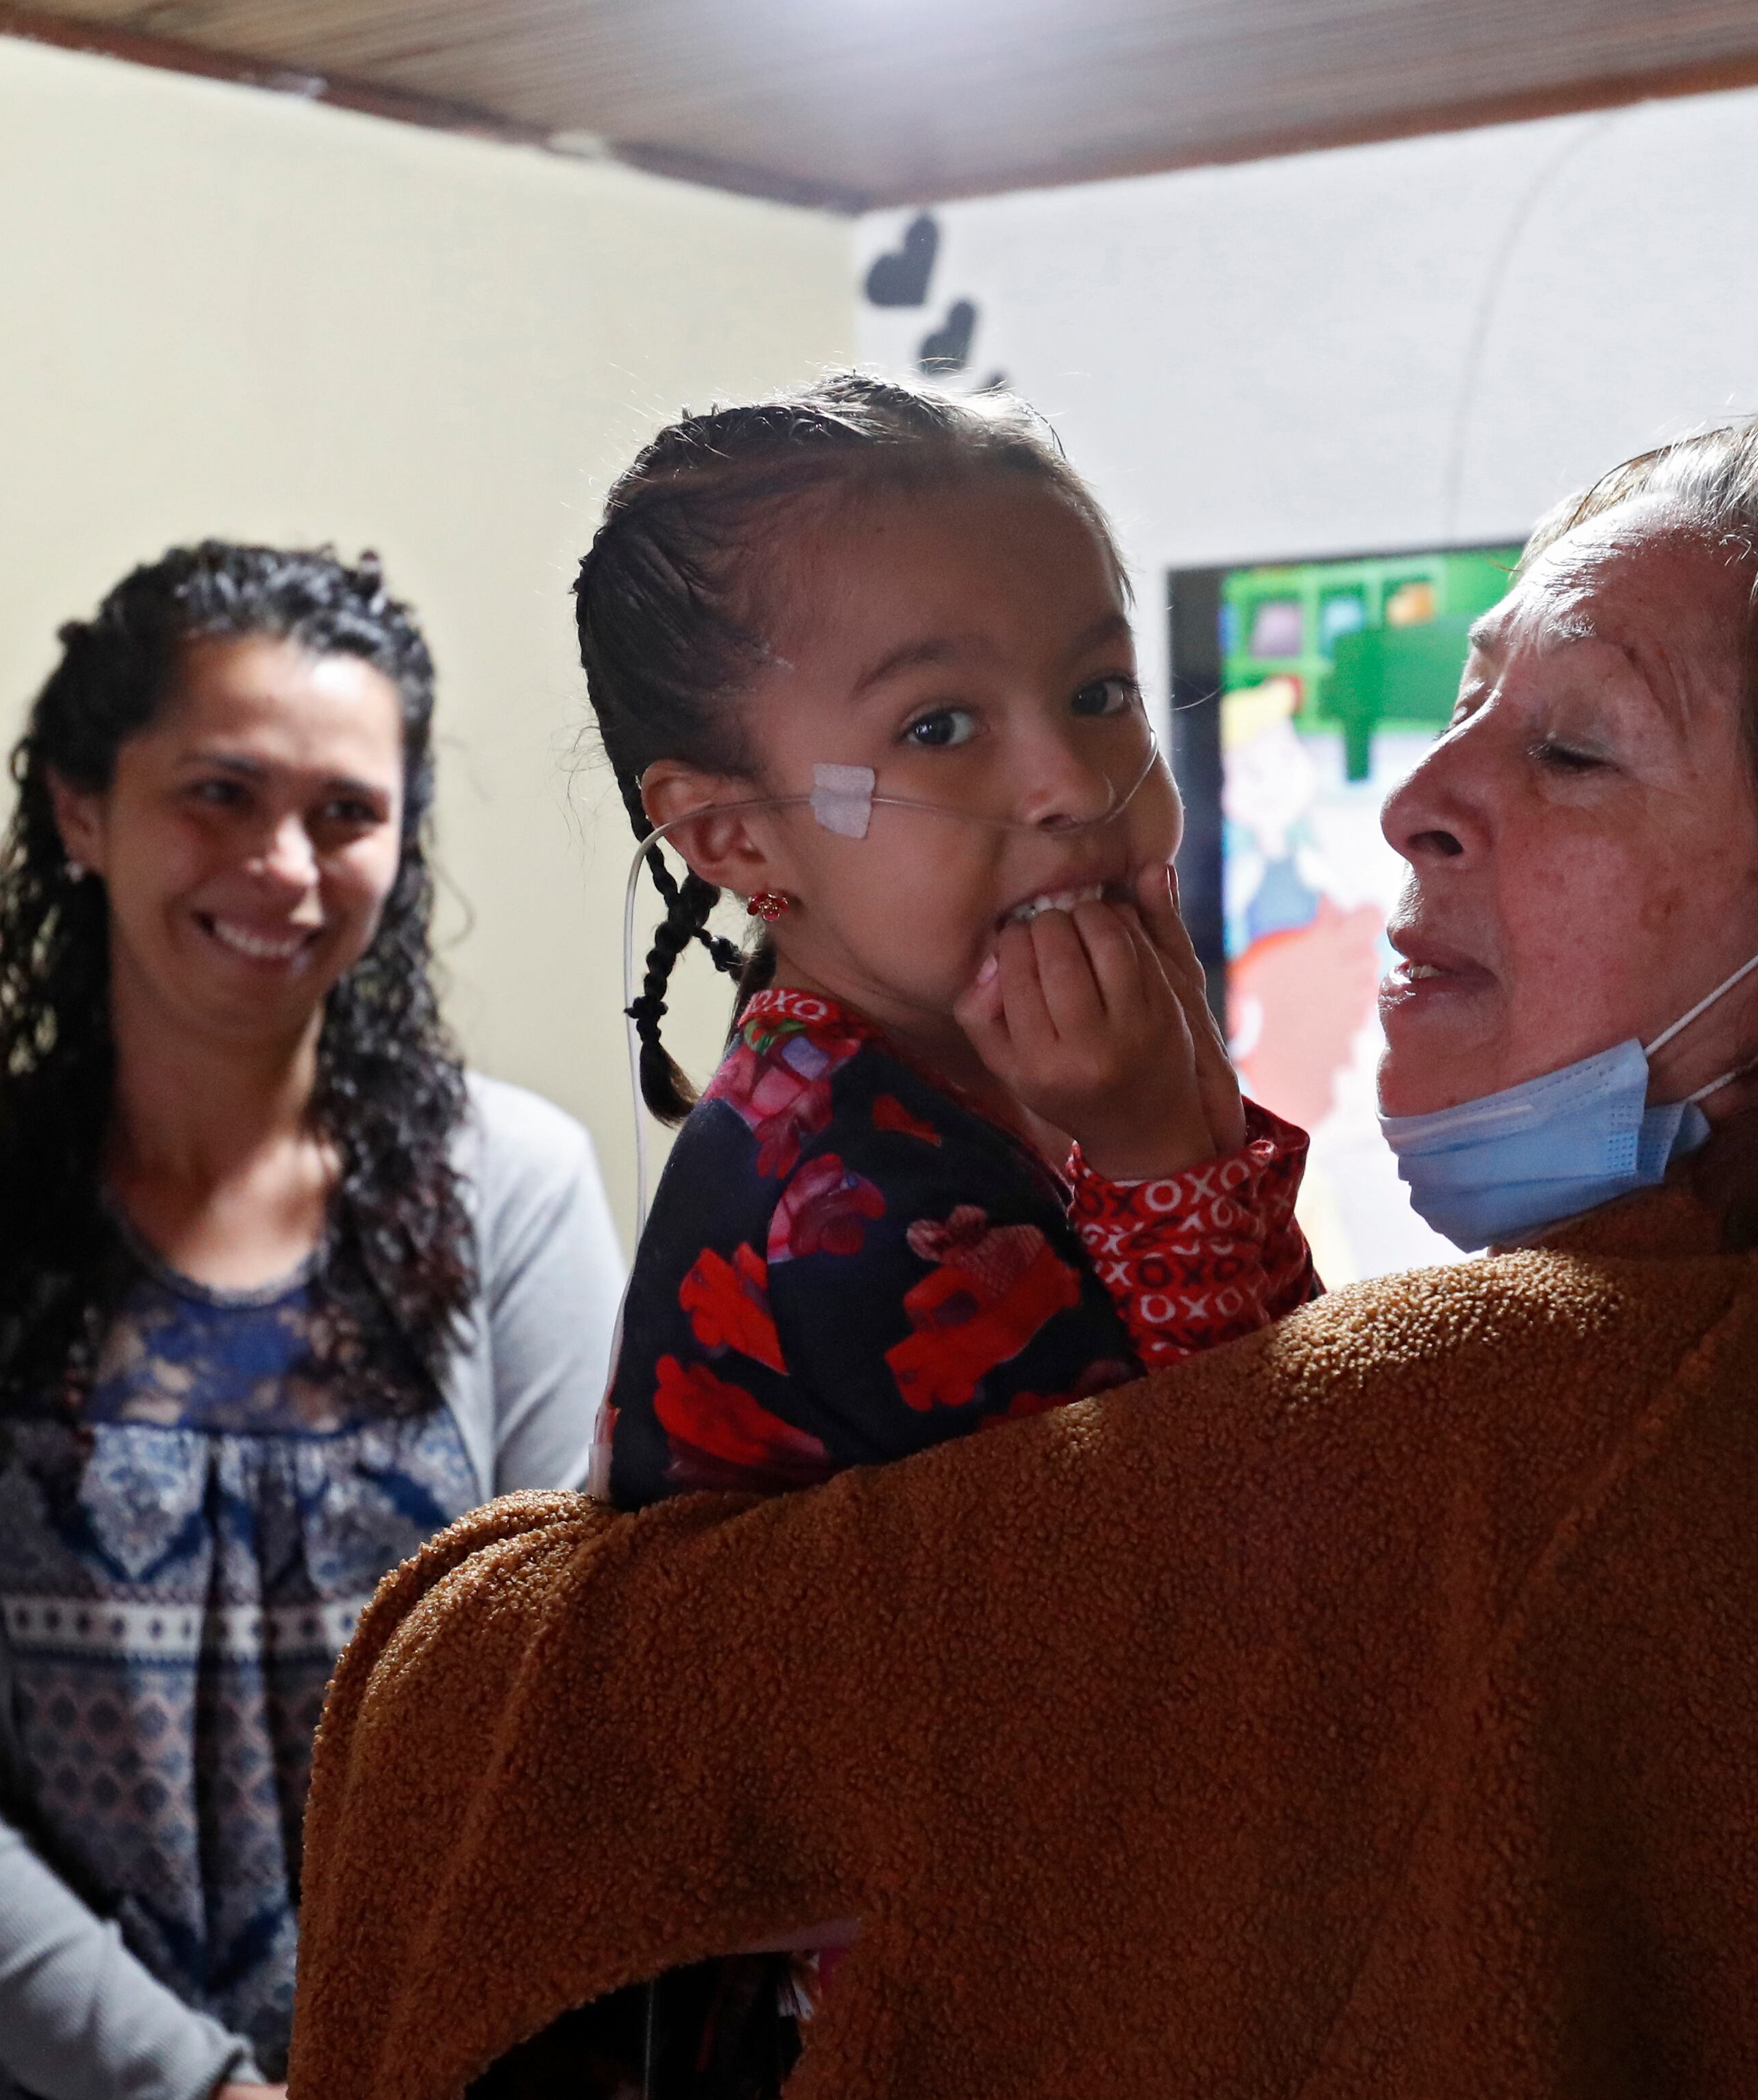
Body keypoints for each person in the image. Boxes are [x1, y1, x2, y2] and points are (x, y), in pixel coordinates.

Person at [286, 409, 1758, 2100]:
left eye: (1579, 749)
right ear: (732, 842)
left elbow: (552, 1731)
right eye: (1466, 701)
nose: (1419, 800)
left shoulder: (1547, 1410)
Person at [0, 543, 627, 2100]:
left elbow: (558, 1699)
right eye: (219, 792)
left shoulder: (519, 1191)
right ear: (82, 811)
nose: (285, 865)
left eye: (347, 813)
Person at [564, 374, 1318, 2090]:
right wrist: (1168, 1151)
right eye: (937, 729)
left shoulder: (983, 1085)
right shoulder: (850, 1203)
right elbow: (1265, 1637)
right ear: (736, 838)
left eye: (1097, 689)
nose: (1071, 780)